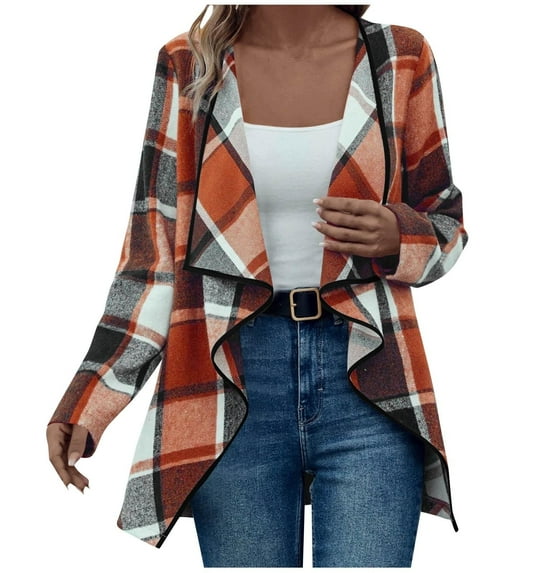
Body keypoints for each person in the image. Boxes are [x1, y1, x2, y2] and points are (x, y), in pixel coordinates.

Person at [46, 4, 468, 567]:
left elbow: (445, 221)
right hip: (230, 379)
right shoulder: (188, 65)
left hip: (371, 376)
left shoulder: (400, 57)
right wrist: (90, 401)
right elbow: (153, 257)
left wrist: (399, 235)